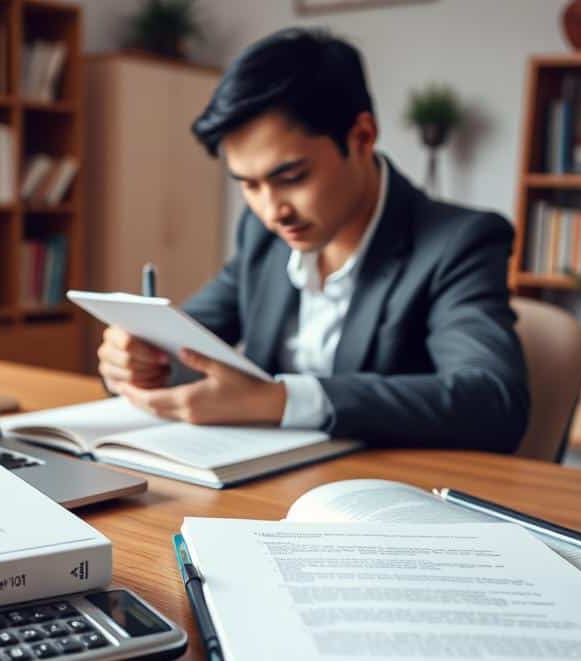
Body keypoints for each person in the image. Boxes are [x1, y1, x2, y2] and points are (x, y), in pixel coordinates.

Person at [96, 27, 529, 452]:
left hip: (384, 498)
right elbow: (187, 343)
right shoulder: (262, 234)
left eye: (291, 177)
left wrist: (277, 401)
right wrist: (135, 357)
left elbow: (493, 401)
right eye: (248, 184)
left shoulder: (458, 243)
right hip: (256, 487)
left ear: (361, 137)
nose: (271, 211)